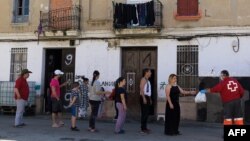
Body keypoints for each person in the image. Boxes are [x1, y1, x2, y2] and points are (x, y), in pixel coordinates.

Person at [140, 68, 152, 134]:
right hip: (143, 96)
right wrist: (144, 98)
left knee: (146, 113)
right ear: (146, 72)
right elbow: (141, 89)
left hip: (147, 97)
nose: (151, 73)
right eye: (150, 72)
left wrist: (149, 99)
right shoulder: (143, 79)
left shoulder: (148, 80)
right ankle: (142, 128)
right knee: (144, 113)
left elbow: (149, 91)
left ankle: (145, 127)